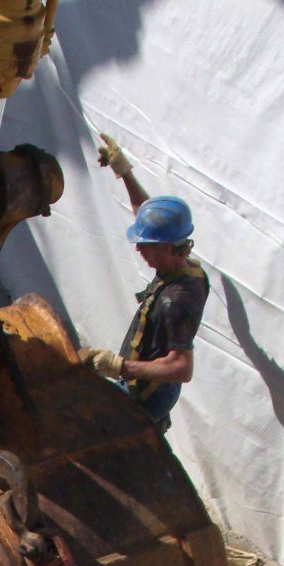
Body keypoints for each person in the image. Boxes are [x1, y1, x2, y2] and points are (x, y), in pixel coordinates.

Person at [79, 134, 210, 433]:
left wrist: (120, 367)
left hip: (148, 394)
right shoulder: (190, 268)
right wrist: (125, 172)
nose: (138, 249)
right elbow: (149, 217)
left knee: (109, 438)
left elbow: (181, 368)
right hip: (151, 383)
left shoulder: (176, 301)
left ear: (165, 247)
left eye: (145, 244)